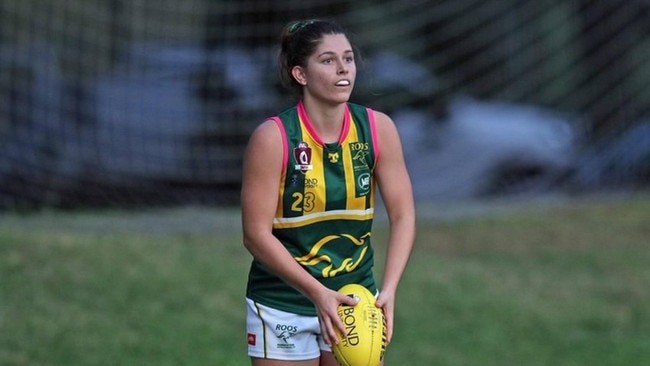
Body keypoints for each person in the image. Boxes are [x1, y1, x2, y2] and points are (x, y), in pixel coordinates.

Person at [241, 18, 415, 366]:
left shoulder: (378, 129)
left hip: (354, 300)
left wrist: (389, 290)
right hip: (284, 304)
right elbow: (255, 236)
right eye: (328, 60)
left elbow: (403, 214)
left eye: (348, 59)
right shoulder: (273, 138)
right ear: (300, 74)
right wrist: (317, 293)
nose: (343, 69)